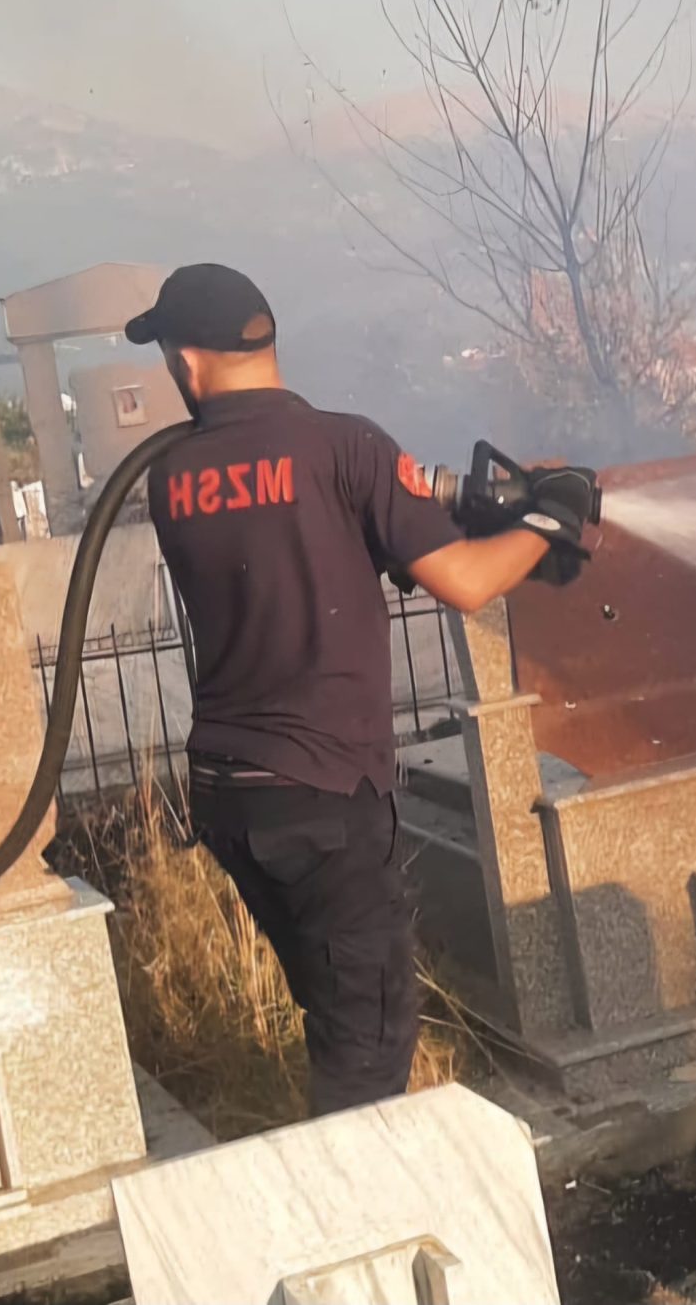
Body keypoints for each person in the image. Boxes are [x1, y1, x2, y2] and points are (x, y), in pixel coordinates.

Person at [127, 262, 588, 1114]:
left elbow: (295, 535)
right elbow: (465, 581)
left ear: (187, 363)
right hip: (323, 796)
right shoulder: (344, 447)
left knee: (338, 1013)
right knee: (369, 1049)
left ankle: (339, 1169)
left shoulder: (171, 479)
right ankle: (346, 1193)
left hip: (232, 796)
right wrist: (547, 520)